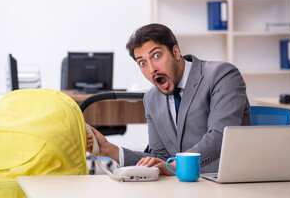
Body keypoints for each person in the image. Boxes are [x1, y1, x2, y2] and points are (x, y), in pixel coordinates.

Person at [87, 23, 251, 175]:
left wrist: (173, 167)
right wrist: (109, 150)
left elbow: (219, 136)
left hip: (225, 181)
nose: (152, 69)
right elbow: (160, 157)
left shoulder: (221, 75)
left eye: (156, 55)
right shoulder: (151, 98)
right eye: (142, 63)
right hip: (182, 187)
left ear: (175, 52)